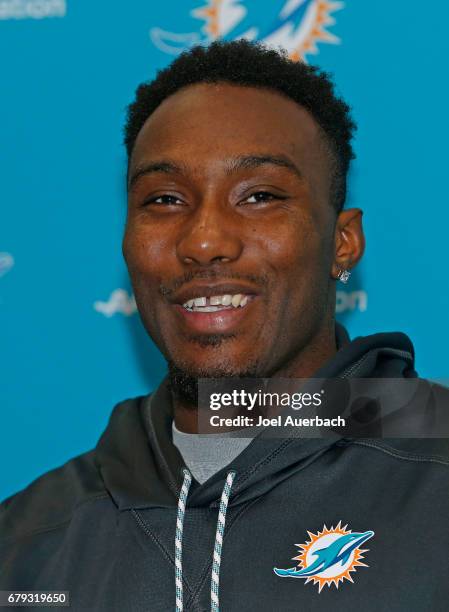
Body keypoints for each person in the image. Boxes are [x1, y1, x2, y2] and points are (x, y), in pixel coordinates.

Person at [1, 40, 448, 612]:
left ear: (342, 243)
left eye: (260, 196)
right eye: (164, 199)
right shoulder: (26, 546)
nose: (205, 240)